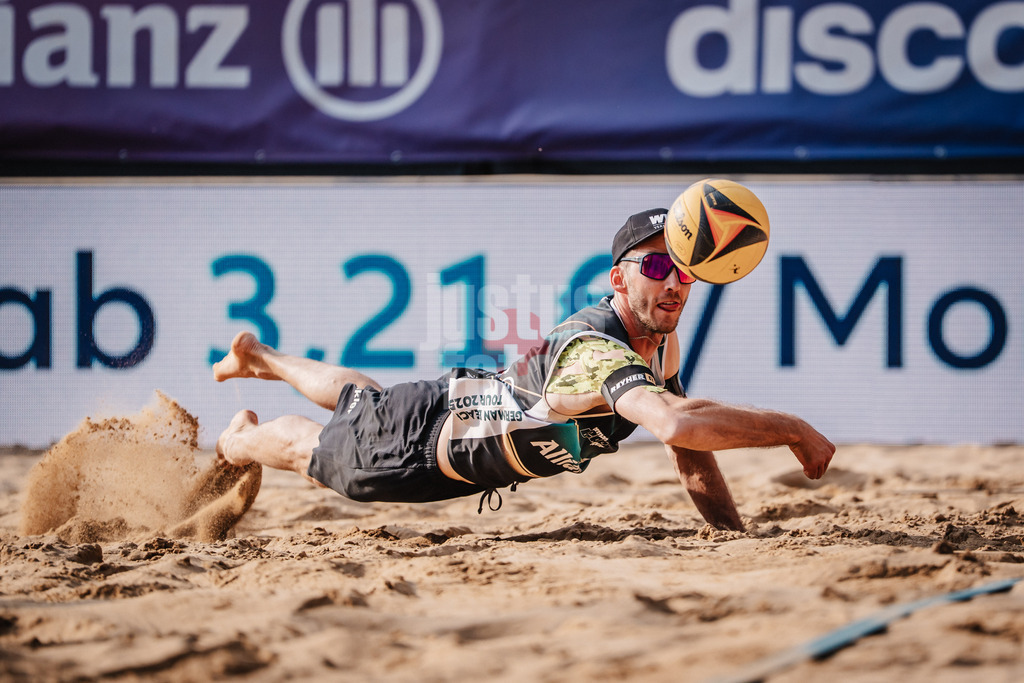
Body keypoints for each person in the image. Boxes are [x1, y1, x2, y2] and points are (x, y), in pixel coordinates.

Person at [213, 208, 835, 531]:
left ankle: (260, 357)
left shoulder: (658, 343)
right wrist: (789, 427)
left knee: (365, 399)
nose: (673, 283)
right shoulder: (597, 351)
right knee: (315, 453)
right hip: (422, 452)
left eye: (684, 271)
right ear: (619, 279)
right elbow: (674, 427)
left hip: (450, 404)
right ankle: (237, 438)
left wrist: (731, 532)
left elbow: (688, 451)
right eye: (654, 268)